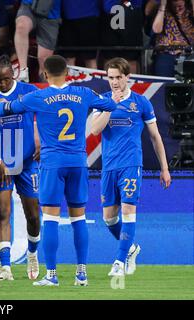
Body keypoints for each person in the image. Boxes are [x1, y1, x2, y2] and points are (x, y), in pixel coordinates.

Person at [0, 55, 118, 286]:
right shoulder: (83, 93)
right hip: (78, 162)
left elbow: (7, 108)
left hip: (52, 163)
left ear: (44, 74)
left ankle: (51, 275)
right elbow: (110, 104)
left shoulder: (38, 96)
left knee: (50, 219)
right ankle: (81, 274)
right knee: (78, 217)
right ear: (68, 73)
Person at [91, 57, 172, 277]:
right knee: (109, 218)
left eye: (118, 77)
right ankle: (131, 248)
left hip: (131, 164)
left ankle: (119, 261)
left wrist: (164, 168)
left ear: (128, 77)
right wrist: (111, 106)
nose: (114, 82)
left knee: (128, 210)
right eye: (110, 78)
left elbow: (155, 137)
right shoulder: (102, 100)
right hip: (109, 167)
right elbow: (95, 130)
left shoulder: (141, 103)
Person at [0, 55, 41, 281]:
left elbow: (44, 115)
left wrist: (40, 137)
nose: (1, 84)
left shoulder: (29, 90)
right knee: (3, 213)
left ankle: (32, 255)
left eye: (5, 79)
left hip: (27, 162)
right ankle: (5, 267)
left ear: (13, 75)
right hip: (0, 164)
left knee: (33, 216)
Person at [14, 0, 62, 82]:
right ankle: (23, 71)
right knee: (22, 26)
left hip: (51, 12)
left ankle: (44, 90)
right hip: (28, 5)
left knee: (44, 61)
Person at [151, 0, 193, 77]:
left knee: (185, 86)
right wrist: (163, 6)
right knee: (164, 85)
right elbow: (156, 29)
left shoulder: (190, 10)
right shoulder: (162, 10)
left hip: (188, 55)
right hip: (166, 54)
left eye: (180, 6)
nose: (177, 8)